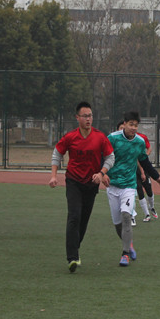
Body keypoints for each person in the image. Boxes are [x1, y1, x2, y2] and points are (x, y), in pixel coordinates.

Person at [49, 101, 115, 273]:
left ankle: (74, 247)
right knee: (74, 216)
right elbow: (57, 153)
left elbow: (110, 157)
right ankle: (72, 257)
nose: (88, 119)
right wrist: (54, 176)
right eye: (85, 116)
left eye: (90, 116)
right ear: (77, 117)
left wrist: (101, 173)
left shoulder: (100, 137)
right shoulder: (70, 137)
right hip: (73, 181)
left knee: (84, 220)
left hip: (91, 183)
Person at [106, 111, 160, 267]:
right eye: (131, 124)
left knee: (126, 216)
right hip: (112, 185)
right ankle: (129, 244)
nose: (133, 128)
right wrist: (101, 173)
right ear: (124, 124)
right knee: (118, 224)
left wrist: (157, 177)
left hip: (129, 185)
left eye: (136, 125)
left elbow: (144, 162)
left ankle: (125, 254)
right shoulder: (112, 138)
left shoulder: (139, 142)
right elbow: (103, 157)